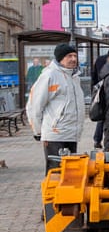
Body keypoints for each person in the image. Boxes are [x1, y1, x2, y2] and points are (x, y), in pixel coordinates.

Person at [27, 44, 87, 172]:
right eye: (69, 56)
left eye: (75, 56)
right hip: (55, 134)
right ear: (60, 58)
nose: (73, 59)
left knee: (69, 173)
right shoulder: (50, 75)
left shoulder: (75, 77)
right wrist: (38, 131)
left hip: (71, 134)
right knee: (55, 173)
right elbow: (35, 105)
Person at [90, 46, 109, 149]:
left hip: (100, 91)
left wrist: (94, 90)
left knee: (101, 117)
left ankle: (97, 139)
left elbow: (94, 75)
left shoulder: (100, 59)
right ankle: (105, 140)